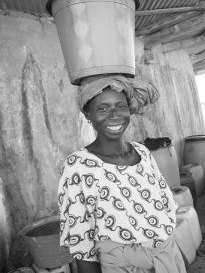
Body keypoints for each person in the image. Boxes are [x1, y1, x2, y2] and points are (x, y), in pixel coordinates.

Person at [57, 75, 186, 273]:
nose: (114, 114)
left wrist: (177, 257)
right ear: (87, 114)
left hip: (166, 258)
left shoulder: (142, 153)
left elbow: (165, 211)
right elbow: (81, 241)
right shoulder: (79, 165)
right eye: (102, 108)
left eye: (121, 106)